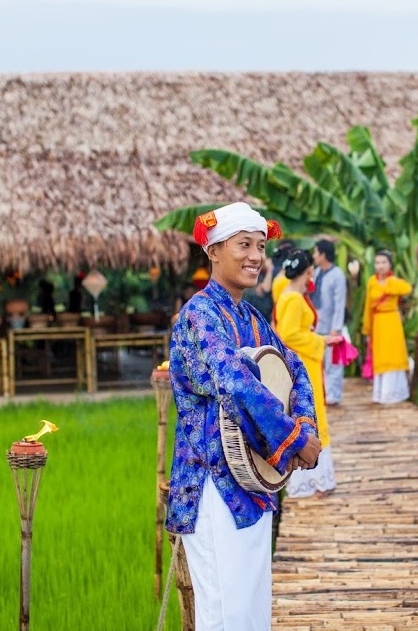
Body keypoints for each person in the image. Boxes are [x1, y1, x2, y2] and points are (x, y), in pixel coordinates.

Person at [167, 202, 321, 631]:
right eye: (244, 245)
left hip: (251, 477)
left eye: (260, 246)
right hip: (211, 481)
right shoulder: (199, 315)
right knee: (224, 609)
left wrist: (306, 425)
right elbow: (234, 381)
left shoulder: (251, 317)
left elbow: (295, 368)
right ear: (214, 251)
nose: (256, 256)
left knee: (252, 607)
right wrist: (292, 438)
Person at [274, 249, 341, 498]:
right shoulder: (292, 298)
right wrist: (320, 340)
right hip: (303, 362)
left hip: (306, 360)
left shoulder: (291, 294)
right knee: (310, 415)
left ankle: (313, 478)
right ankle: (311, 480)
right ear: (309, 271)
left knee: (309, 414)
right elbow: (289, 334)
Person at [361, 250, 413, 404]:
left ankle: (395, 393)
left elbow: (407, 289)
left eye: (384, 262)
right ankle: (381, 393)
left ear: (390, 264)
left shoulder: (394, 282)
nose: (381, 266)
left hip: (392, 321)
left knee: (393, 354)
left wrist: (388, 286)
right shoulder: (371, 282)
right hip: (377, 322)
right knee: (380, 355)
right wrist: (367, 329)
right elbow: (368, 307)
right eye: (377, 262)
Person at [311, 239, 348, 405]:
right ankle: (323, 392)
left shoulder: (337, 274)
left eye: (316, 252)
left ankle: (334, 395)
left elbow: (340, 303)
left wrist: (336, 328)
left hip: (332, 326)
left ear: (323, 254)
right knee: (320, 362)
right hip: (317, 325)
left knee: (333, 363)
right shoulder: (317, 272)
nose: (314, 256)